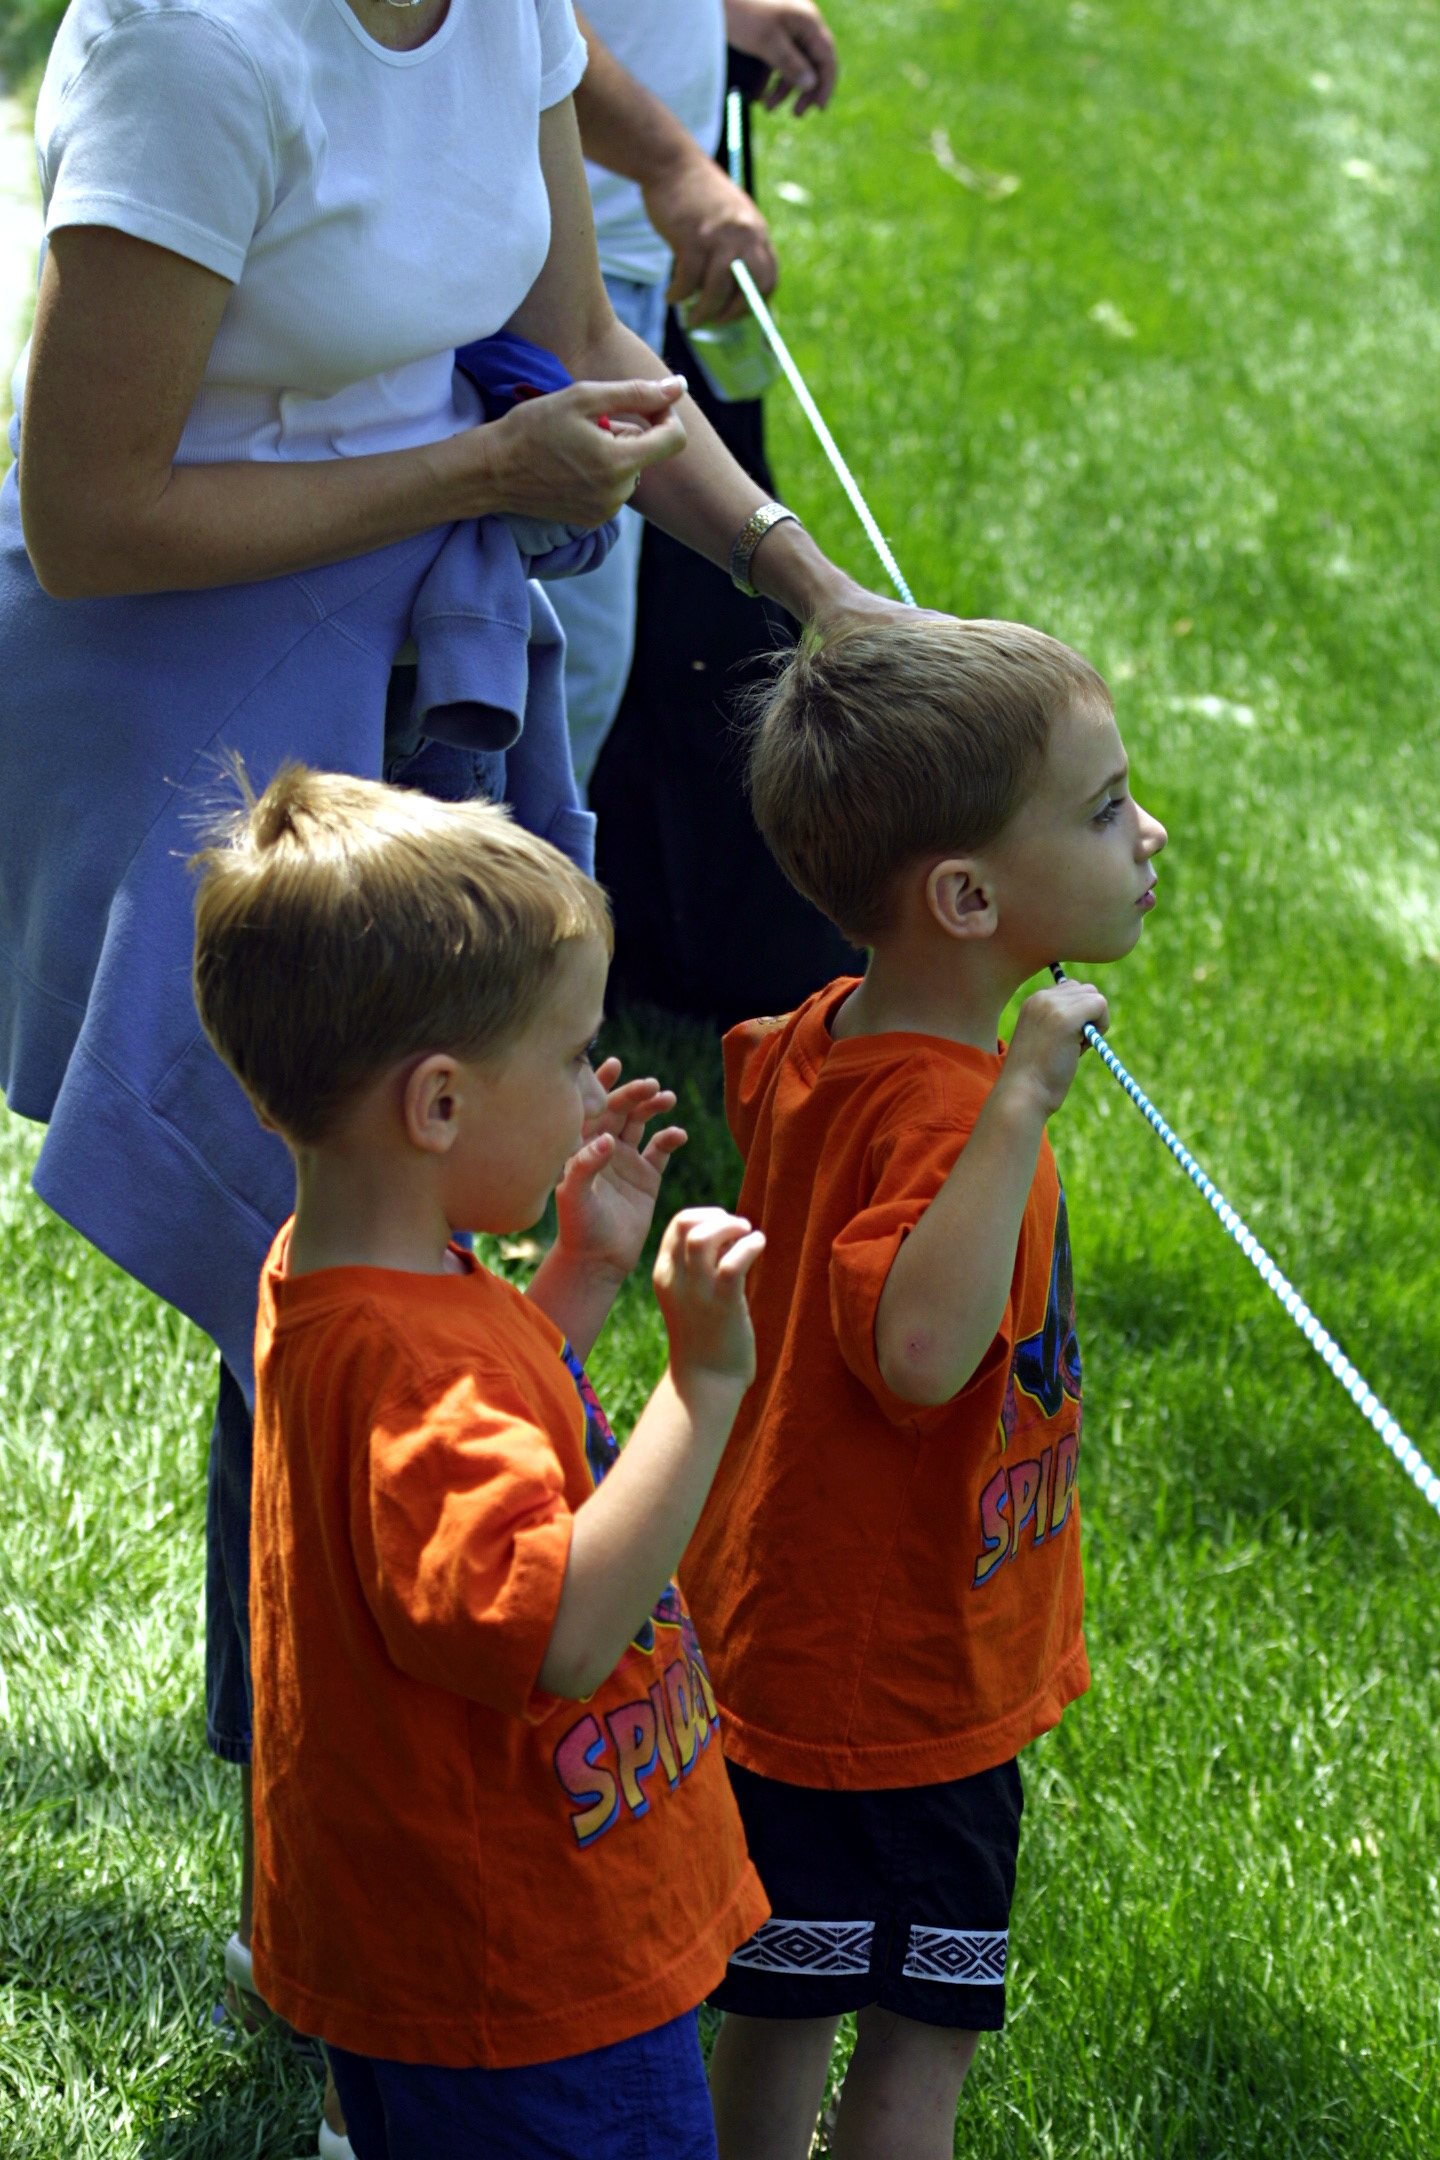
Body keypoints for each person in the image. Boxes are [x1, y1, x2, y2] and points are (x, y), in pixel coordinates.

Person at [0, 0, 899, 2123]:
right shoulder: (194, 43)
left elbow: (583, 352)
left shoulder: (505, 8)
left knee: (384, 1287)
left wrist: (811, 589)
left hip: (411, 645)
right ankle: (365, 1916)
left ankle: (367, 1878)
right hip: (192, 700)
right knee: (329, 1293)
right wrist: (484, 472)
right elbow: (90, 513)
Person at [190, 765, 769, 2158]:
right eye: (570, 1056)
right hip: (529, 1982)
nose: (588, 1089)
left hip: (428, 1958)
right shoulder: (417, 1368)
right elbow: (562, 1628)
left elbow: (469, 1456)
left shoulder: (335, 1278)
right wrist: (703, 1387)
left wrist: (579, 1271)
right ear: (439, 1105)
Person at [679, 616, 1169, 2159]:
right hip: (893, 1688)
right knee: (915, 2040)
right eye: (1105, 808)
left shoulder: (825, 1037)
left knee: (779, 2011)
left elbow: (776, 1079)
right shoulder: (962, 1116)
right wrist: (1017, 1101)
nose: (1149, 834)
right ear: (966, 899)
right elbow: (918, 1349)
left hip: (797, 1635)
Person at [558, 0, 838, 794]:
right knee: (555, 691)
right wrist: (672, 167)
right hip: (554, 263)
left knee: (583, 687)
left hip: (628, 261)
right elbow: (523, 21)